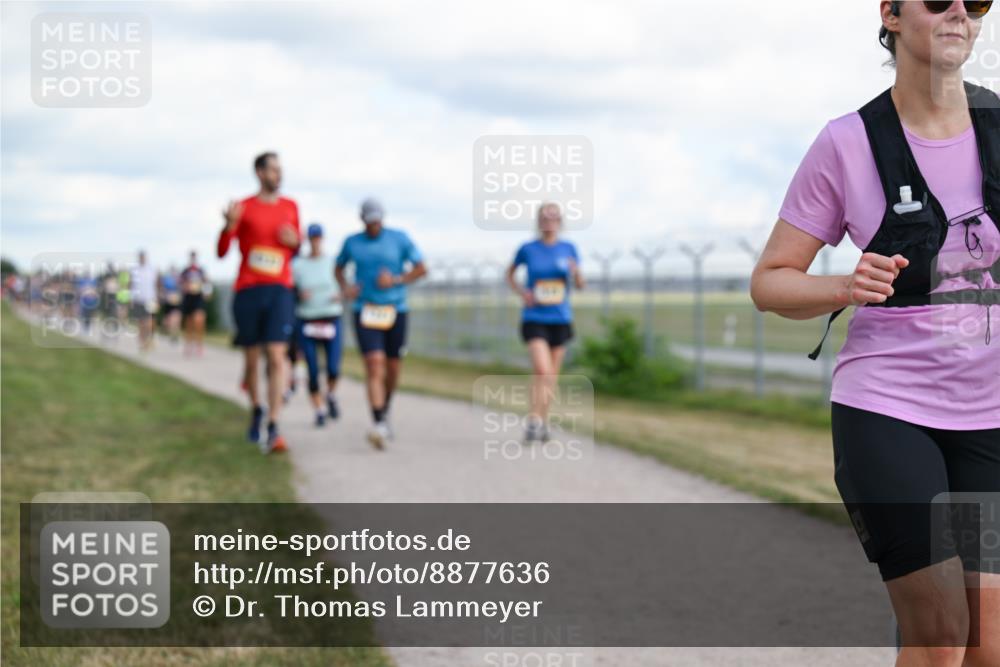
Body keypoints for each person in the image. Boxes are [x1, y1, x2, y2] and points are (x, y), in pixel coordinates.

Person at [750, 2, 999, 664]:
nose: (959, 14)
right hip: (887, 404)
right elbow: (770, 279)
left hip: (992, 415)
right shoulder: (848, 141)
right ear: (889, 12)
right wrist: (843, 285)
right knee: (941, 628)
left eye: (976, 2)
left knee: (987, 643)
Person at [217, 151, 301, 454]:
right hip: (249, 290)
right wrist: (228, 226)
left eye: (281, 170)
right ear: (259, 172)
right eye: (273, 170)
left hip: (280, 289)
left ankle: (274, 422)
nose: (278, 175)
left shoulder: (291, 207)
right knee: (252, 360)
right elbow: (223, 251)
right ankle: (256, 409)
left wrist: (296, 244)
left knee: (277, 356)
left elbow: (295, 248)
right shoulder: (244, 208)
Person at [335, 198, 427, 449]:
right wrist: (346, 288)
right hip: (365, 310)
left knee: (393, 367)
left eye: (377, 220)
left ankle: (385, 408)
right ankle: (378, 422)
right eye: (369, 220)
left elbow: (421, 269)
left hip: (395, 309)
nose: (374, 224)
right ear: (362, 220)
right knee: (374, 364)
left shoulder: (399, 239)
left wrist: (397, 279)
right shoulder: (352, 242)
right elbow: (338, 267)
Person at [506, 202, 584, 444]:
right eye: (544, 218)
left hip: (560, 318)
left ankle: (541, 420)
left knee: (551, 376)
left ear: (560, 221)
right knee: (542, 370)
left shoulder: (569, 248)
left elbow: (580, 285)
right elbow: (509, 274)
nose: (549, 222)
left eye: (553, 218)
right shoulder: (528, 249)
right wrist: (523, 293)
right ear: (539, 221)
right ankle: (533, 419)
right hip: (535, 317)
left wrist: (576, 273)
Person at [292, 223, 344, 427]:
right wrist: (298, 294)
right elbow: (289, 289)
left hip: (330, 318)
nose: (315, 241)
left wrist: (341, 294)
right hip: (307, 320)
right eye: (312, 238)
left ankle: (330, 395)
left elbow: (345, 285)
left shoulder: (332, 263)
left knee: (333, 368)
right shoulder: (298, 265)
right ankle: (319, 410)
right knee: (312, 370)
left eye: (318, 237)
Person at [180, 250, 209, 357]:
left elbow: (206, 282)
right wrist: (185, 287)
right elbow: (180, 283)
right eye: (191, 257)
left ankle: (199, 344)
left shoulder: (201, 270)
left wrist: (207, 292)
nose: (193, 259)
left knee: (199, 321)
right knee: (189, 323)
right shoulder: (185, 271)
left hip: (198, 298)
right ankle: (188, 344)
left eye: (194, 257)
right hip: (188, 298)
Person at [130, 250, 158, 351]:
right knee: (141, 322)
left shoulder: (152, 269)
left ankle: (149, 339)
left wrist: (157, 298)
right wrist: (131, 298)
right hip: (138, 299)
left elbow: (156, 284)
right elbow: (131, 285)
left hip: (150, 299)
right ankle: (142, 342)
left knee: (150, 321)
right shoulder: (134, 270)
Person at [159, 266, 183, 343]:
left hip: (176, 303)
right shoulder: (167, 280)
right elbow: (162, 290)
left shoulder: (179, 280)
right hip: (168, 303)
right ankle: (165, 328)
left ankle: (174, 335)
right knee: (169, 321)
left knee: (176, 319)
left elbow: (182, 291)